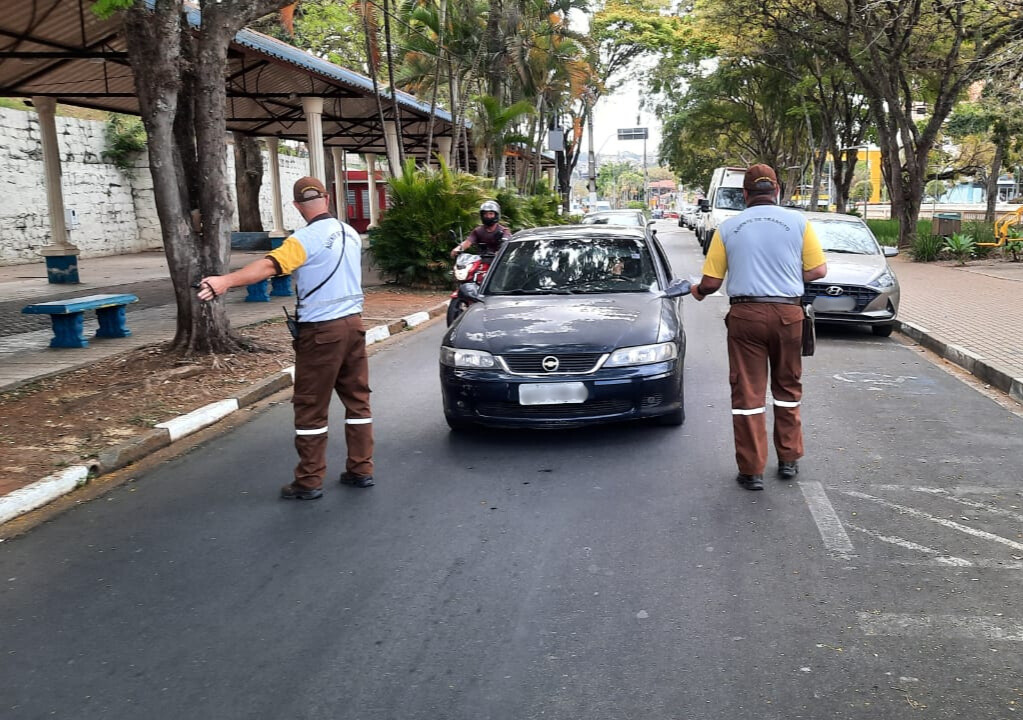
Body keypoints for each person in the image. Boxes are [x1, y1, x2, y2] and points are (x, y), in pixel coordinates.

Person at [196, 176, 374, 500]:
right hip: (355, 326)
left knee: (310, 408)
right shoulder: (351, 233)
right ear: (328, 198)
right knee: (358, 401)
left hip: (322, 333)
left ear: (296, 206)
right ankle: (361, 469)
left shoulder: (303, 239)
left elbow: (268, 266)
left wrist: (225, 281)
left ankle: (309, 481)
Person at [690, 164, 828, 491]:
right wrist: (788, 278)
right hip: (788, 315)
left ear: (745, 194)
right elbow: (818, 270)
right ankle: (789, 459)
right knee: (787, 388)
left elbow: (711, 282)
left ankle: (751, 471)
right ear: (777, 191)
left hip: (746, 316)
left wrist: (697, 292)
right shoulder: (799, 222)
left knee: (748, 393)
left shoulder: (728, 227)